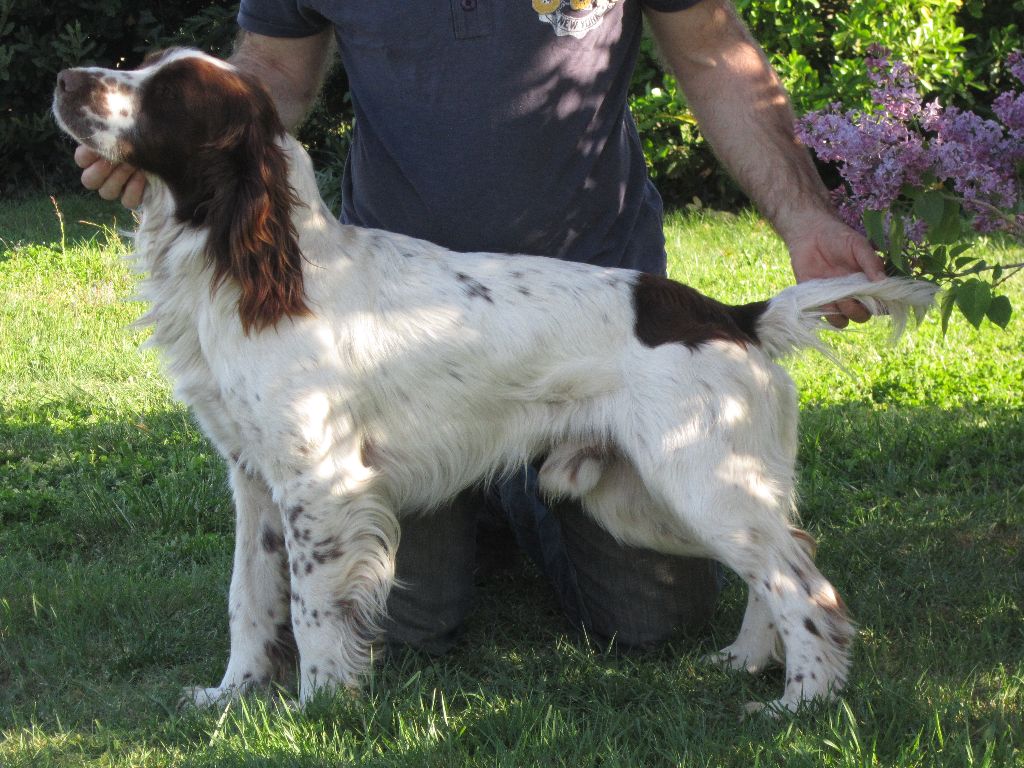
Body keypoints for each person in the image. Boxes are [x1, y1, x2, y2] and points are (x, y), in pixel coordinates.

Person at [75, 0, 885, 655]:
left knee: (654, 622)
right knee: (405, 625)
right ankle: (481, 500)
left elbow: (713, 51)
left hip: (601, 324)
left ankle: (521, 496)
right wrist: (175, 135)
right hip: (389, 328)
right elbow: (270, 72)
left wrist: (807, 216)